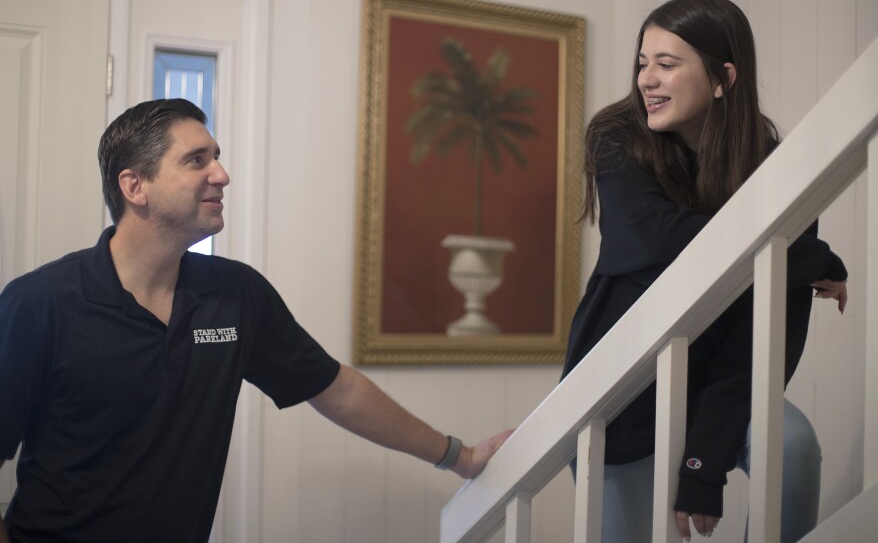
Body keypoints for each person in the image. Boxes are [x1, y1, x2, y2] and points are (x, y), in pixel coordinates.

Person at [0, 98, 512, 543]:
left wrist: (460, 457)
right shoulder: (41, 303)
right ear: (135, 186)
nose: (221, 174)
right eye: (196, 160)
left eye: (217, 158)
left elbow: (336, 390)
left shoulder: (235, 295)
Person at [560, 0, 848, 542]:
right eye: (643, 62)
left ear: (723, 78)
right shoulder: (617, 135)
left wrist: (702, 466)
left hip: (725, 381)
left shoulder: (767, 159)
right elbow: (653, 236)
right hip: (622, 392)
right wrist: (803, 255)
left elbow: (762, 330)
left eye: (667, 64)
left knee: (792, 448)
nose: (646, 78)